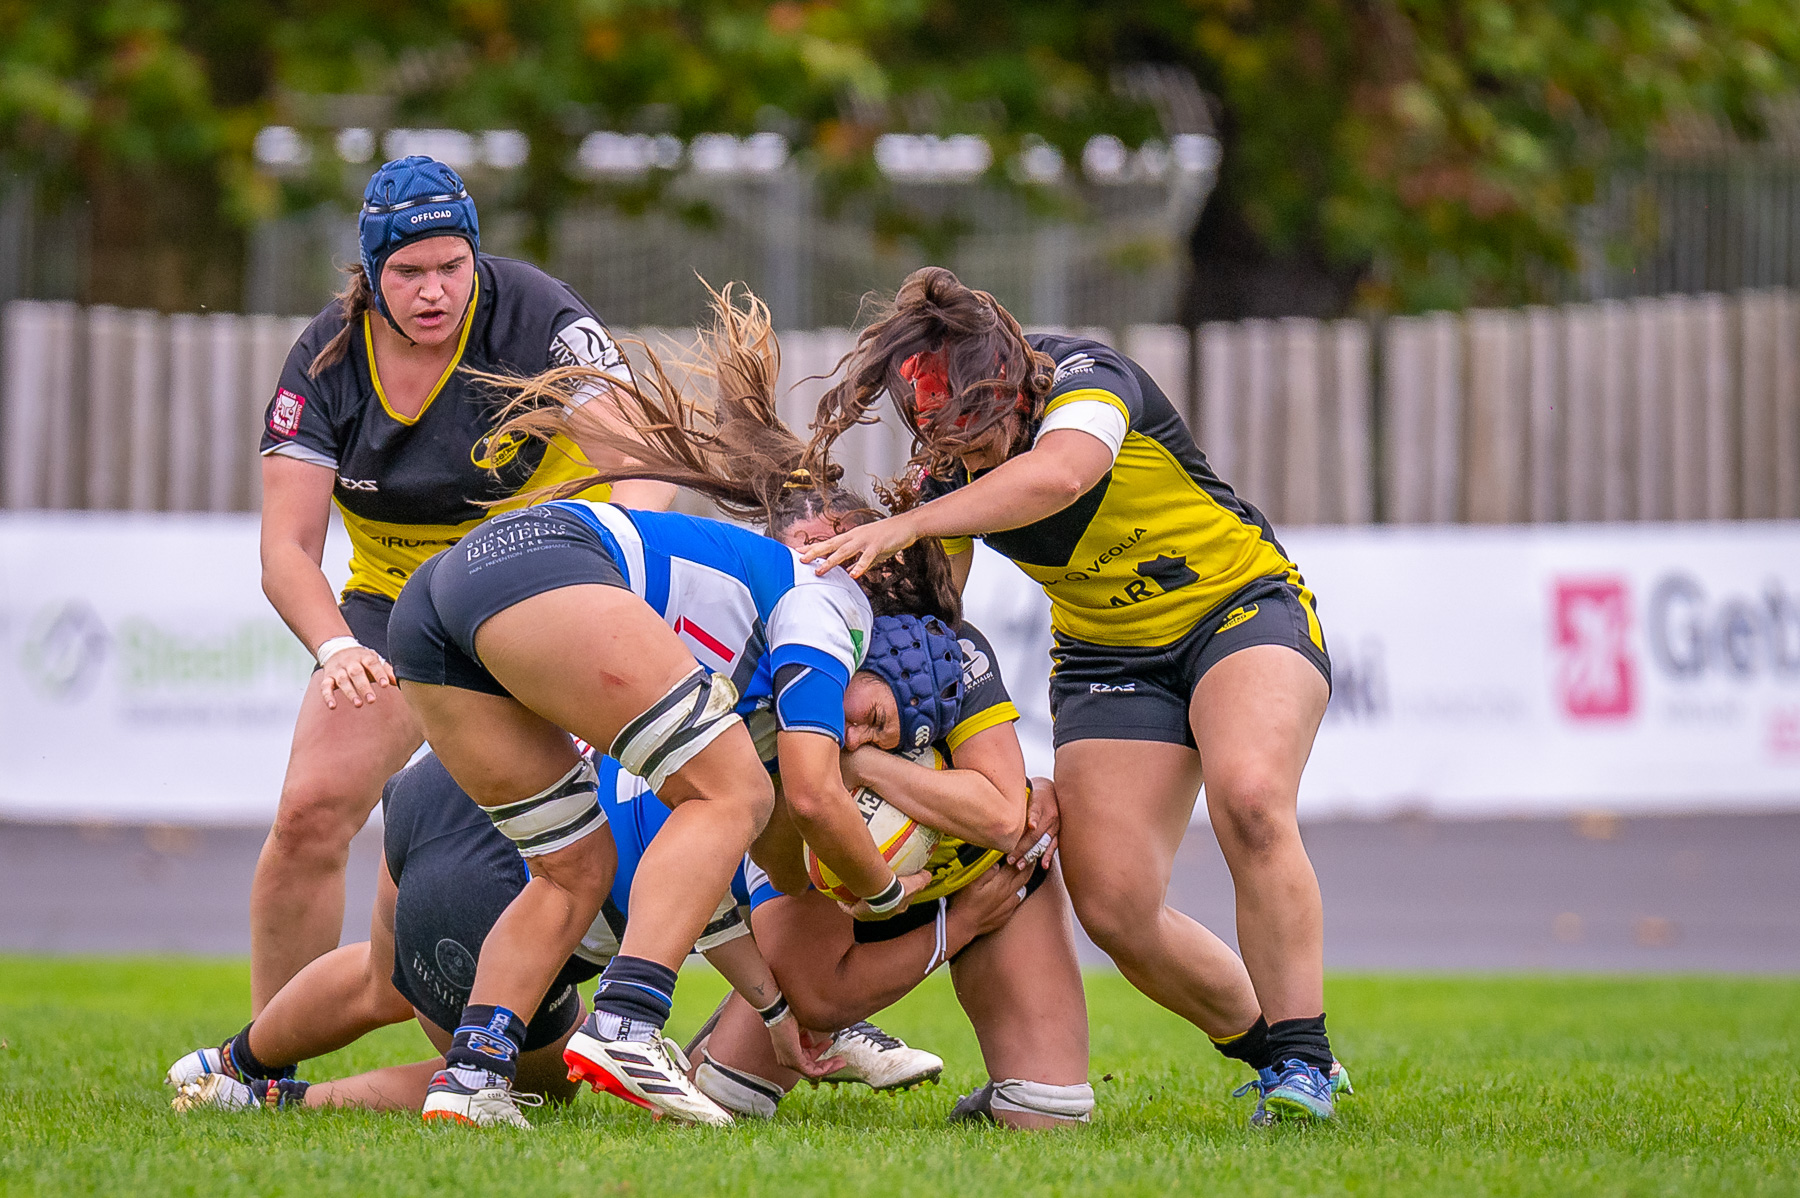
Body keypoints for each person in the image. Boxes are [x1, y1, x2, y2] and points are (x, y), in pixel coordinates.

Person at [380, 285, 964, 1127]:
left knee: (571, 868)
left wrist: (781, 986)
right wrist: (879, 893)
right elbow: (802, 792)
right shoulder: (835, 600)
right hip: (542, 564)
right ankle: (627, 1022)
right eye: (877, 709)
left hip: (434, 606)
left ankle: (470, 1078)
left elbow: (767, 847)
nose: (861, 721)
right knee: (733, 791)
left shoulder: (746, 646)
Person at [798, 266, 1350, 1124]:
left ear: (1015, 384)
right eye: (946, 439)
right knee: (1115, 904)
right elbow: (945, 636)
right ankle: (1277, 1054)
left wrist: (910, 521)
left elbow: (1060, 477)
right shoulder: (949, 481)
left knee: (1249, 798)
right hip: (1106, 656)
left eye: (979, 432)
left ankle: (1305, 1066)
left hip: (1237, 610)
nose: (966, 454)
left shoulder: (1088, 380)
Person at [250, 153, 671, 1014]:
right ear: (370, 274)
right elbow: (286, 551)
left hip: (539, 597)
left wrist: (614, 583)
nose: (434, 290)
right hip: (400, 613)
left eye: (452, 266)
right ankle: (264, 1056)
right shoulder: (325, 360)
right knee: (308, 816)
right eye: (408, 272)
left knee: (702, 790)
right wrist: (334, 647)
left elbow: (643, 460)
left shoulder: (536, 316)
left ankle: (759, 1023)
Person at [167, 751, 935, 1125]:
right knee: (538, 1079)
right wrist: (782, 1011)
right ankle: (283, 1100)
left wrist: (774, 1013)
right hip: (497, 883)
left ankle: (229, 1064)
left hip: (439, 787)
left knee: (381, 979)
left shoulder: (757, 731)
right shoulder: (772, 819)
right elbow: (721, 922)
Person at [684, 494, 1092, 1129]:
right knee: (720, 1100)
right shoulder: (769, 679)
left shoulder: (944, 646)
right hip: (859, 900)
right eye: (803, 556)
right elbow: (819, 997)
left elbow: (1006, 819)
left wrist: (862, 767)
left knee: (1049, 1114)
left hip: (988, 873)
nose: (829, 568)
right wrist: (956, 926)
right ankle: (730, 1027)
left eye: (838, 546)